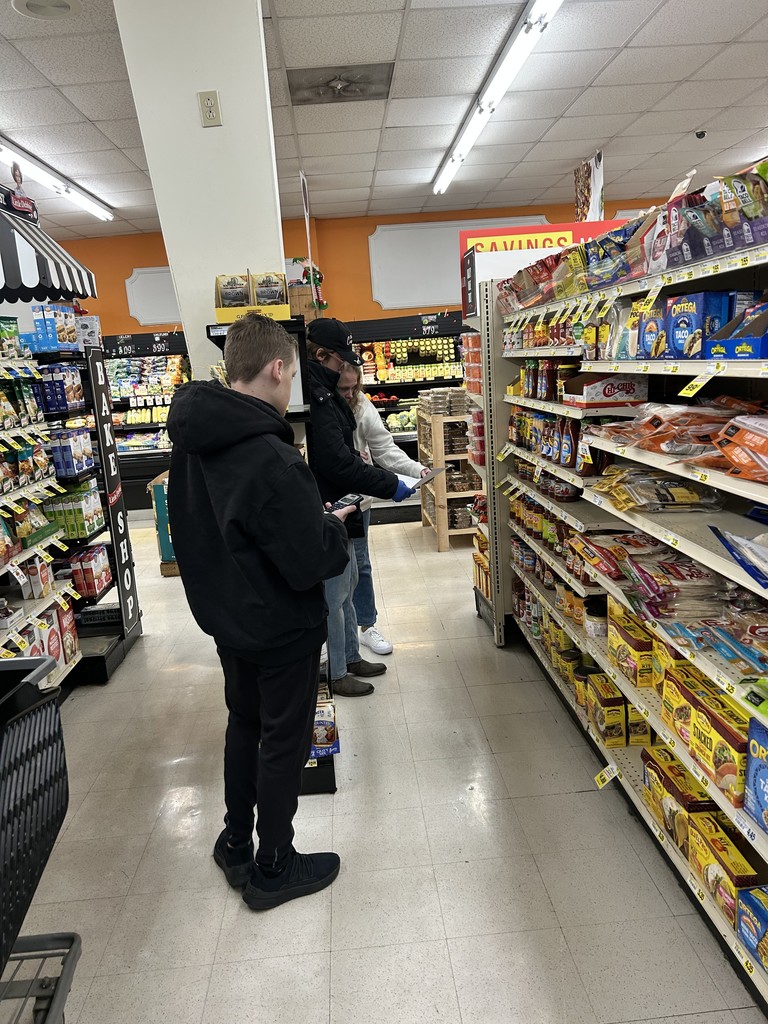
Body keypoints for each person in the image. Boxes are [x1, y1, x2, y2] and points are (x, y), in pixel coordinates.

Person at [167, 313, 351, 911]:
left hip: (228, 617)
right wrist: (330, 528)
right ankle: (274, 864)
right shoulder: (271, 458)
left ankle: (236, 843)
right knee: (282, 740)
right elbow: (308, 560)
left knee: (243, 725)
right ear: (277, 367)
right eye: (292, 373)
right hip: (279, 626)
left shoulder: (195, 441)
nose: (292, 383)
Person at [305, 317, 414, 697]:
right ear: (321, 356)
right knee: (335, 595)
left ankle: (350, 656)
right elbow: (339, 462)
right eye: (339, 364)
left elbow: (369, 450)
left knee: (349, 583)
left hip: (346, 504)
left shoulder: (329, 395)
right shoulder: (316, 400)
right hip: (331, 505)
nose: (344, 374)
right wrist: (392, 485)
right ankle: (336, 672)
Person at [338, 363, 429, 655]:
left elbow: (385, 449)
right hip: (324, 501)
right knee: (335, 571)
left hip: (358, 500)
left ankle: (366, 626)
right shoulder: (319, 405)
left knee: (361, 565)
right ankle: (338, 633)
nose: (350, 393)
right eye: (344, 388)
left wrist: (417, 470)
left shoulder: (362, 406)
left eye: (355, 387)